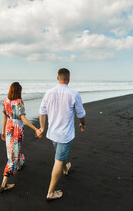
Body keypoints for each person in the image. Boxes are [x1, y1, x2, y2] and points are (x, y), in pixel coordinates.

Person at [39, 68, 86, 201]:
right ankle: (51, 192)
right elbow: (81, 114)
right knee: (58, 160)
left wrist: (42, 127)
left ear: (58, 78)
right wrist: (83, 124)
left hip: (53, 133)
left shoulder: (49, 93)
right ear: (69, 79)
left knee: (60, 154)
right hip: (65, 135)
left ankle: (65, 169)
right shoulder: (74, 94)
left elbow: (42, 112)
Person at [0, 82, 43, 193]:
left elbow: (5, 117)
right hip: (17, 129)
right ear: (19, 91)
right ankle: (4, 183)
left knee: (13, 150)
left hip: (9, 128)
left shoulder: (6, 101)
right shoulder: (19, 102)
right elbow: (23, 119)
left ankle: (20, 163)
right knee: (12, 155)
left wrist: (3, 131)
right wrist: (36, 129)